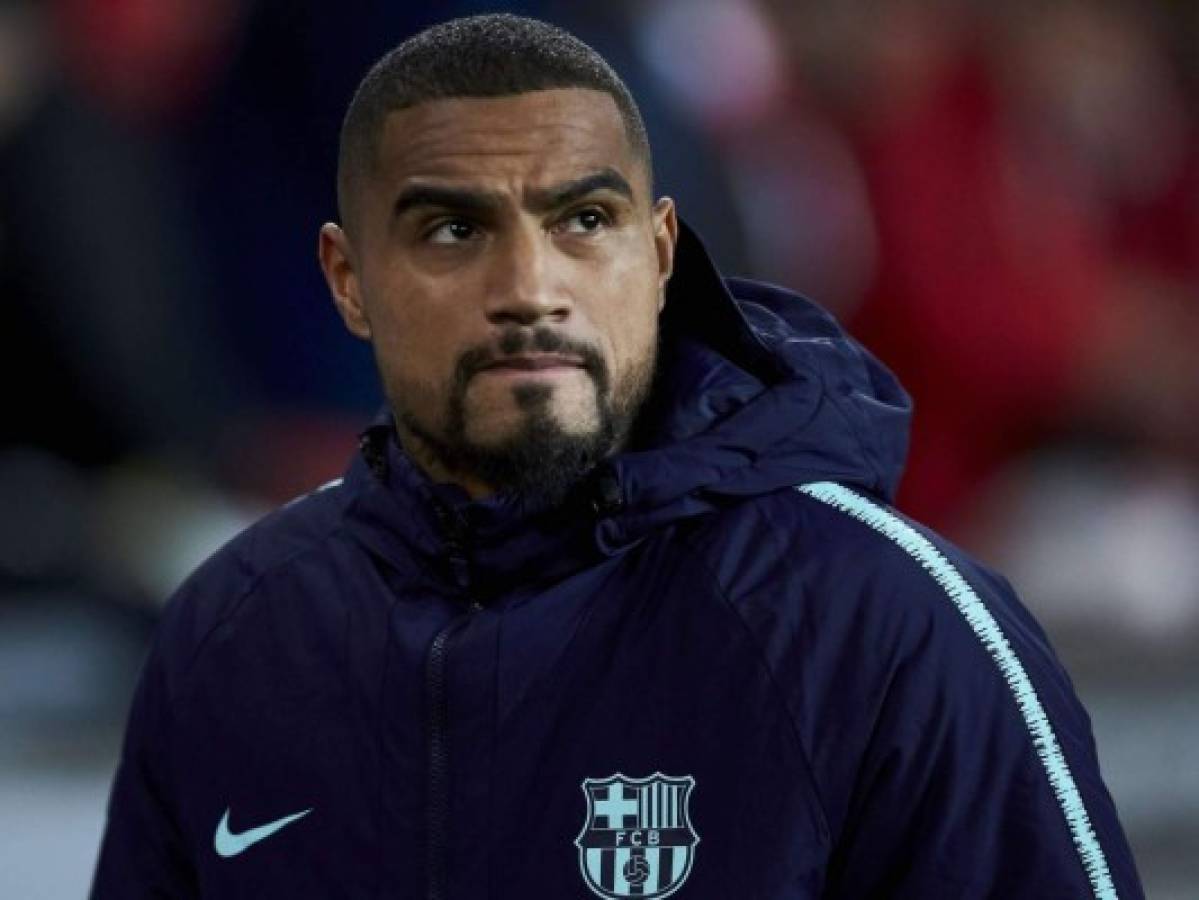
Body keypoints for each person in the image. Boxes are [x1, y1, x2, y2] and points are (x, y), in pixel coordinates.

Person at [91, 14, 1144, 899]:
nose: (528, 288)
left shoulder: (885, 629)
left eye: (583, 220)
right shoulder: (235, 634)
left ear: (659, 254)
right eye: (453, 231)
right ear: (347, 279)